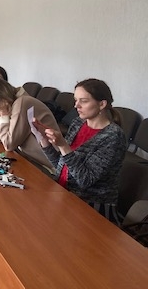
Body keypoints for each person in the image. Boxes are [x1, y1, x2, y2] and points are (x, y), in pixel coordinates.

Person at [32, 79, 126, 216]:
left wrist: (63, 146)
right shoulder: (78, 123)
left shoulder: (113, 136)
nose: (76, 106)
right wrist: (44, 139)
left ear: (102, 104)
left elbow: (85, 179)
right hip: (62, 194)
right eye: (76, 100)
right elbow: (62, 166)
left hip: (90, 206)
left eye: (84, 101)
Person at [0, 77, 54, 170]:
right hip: (31, 160)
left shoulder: (22, 103)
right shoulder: (12, 103)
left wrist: (3, 116)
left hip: (48, 166)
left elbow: (9, 144)